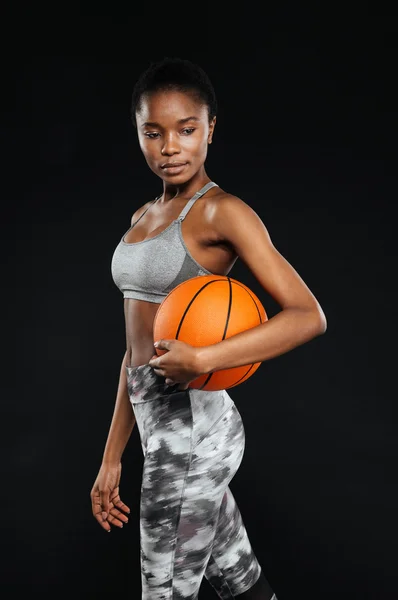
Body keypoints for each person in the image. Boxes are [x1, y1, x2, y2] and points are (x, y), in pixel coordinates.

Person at [90, 57, 327, 600]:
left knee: (165, 591)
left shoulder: (222, 213)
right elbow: (136, 355)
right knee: (239, 579)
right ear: (138, 132)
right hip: (160, 432)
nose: (169, 146)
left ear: (210, 129)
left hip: (194, 434)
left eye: (186, 130)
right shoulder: (142, 216)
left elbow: (307, 315)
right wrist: (111, 459)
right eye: (153, 132)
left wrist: (203, 359)